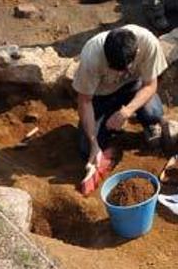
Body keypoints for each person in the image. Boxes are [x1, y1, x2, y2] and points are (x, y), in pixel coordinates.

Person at [72, 25, 168, 195]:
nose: (118, 74)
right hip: (100, 96)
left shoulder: (148, 43)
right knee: (85, 148)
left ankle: (147, 124)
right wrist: (94, 143)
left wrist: (126, 112)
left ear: (137, 52)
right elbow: (84, 101)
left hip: (133, 88)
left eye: (124, 69)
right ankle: (105, 142)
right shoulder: (92, 55)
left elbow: (150, 84)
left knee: (154, 114)